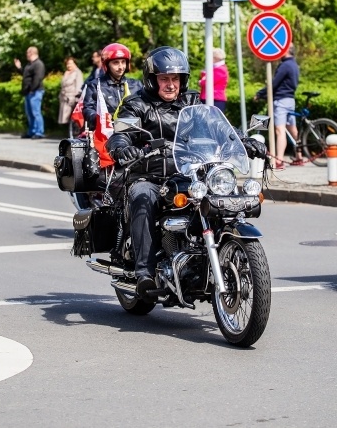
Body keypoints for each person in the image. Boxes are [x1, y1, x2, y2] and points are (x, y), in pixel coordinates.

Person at [106, 46, 266, 301]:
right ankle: (144, 271)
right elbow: (120, 135)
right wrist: (123, 148)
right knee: (142, 196)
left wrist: (243, 140)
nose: (171, 84)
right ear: (152, 80)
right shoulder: (137, 105)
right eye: (164, 79)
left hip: (189, 174)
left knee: (219, 199)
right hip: (150, 176)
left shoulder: (191, 102)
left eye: (176, 78)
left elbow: (217, 126)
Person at [254, 44, 300, 169]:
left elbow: (274, 84)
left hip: (281, 100)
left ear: (286, 51)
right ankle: (299, 156)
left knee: (280, 131)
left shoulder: (285, 65)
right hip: (290, 99)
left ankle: (279, 160)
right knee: (293, 130)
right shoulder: (294, 64)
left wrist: (260, 93)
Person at [81, 43, 142, 131]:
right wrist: (98, 118)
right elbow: (88, 109)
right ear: (107, 64)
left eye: (123, 62)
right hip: (106, 132)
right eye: (116, 62)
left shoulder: (136, 85)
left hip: (133, 131)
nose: (121, 67)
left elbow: (146, 107)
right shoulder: (95, 85)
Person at [15, 46, 46, 139]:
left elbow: (38, 78)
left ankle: (39, 132)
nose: (26, 55)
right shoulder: (29, 64)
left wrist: (33, 89)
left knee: (36, 112)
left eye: (27, 53)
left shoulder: (38, 64)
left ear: (31, 53)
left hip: (35, 91)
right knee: (30, 113)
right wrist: (19, 68)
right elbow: (26, 75)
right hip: (28, 92)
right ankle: (31, 131)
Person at [198, 47, 229, 111]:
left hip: (215, 98)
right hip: (208, 97)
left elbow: (207, 82)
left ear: (216, 58)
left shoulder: (220, 69)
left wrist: (201, 82)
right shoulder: (215, 68)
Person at [58, 57, 84, 125]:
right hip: (64, 98)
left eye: (70, 63)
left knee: (73, 118)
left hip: (72, 99)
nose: (68, 65)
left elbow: (79, 86)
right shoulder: (66, 72)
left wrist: (76, 98)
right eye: (67, 64)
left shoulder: (77, 72)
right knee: (65, 119)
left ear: (74, 63)